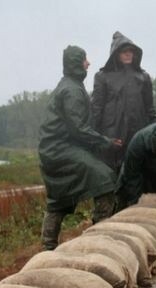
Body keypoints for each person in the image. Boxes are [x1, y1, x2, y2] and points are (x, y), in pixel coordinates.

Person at [38, 45, 122, 250]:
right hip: (61, 150)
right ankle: (98, 237)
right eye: (85, 59)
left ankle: (47, 248)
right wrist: (105, 142)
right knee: (106, 180)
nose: (88, 63)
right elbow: (78, 129)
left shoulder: (70, 85)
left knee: (59, 199)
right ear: (77, 63)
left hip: (53, 150)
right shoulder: (72, 90)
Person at [91, 31, 156, 173]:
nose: (128, 54)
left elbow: (150, 110)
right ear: (116, 53)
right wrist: (95, 137)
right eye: (124, 51)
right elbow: (96, 110)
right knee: (111, 176)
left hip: (138, 135)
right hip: (112, 136)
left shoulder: (143, 77)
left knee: (137, 175)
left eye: (131, 51)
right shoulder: (102, 77)